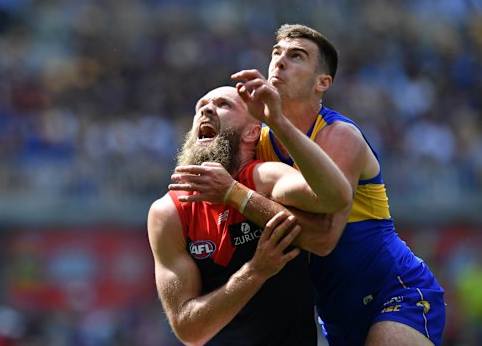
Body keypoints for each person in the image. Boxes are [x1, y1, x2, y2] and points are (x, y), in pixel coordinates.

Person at [182, 24, 445, 345]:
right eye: (276, 54)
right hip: (334, 311)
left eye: (296, 56)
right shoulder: (258, 141)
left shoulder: (339, 136)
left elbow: (323, 239)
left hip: (394, 289)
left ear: (323, 82)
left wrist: (236, 192)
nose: (279, 62)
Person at [147, 85, 353, 345]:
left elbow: (332, 204)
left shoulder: (266, 178)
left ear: (252, 132)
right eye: (201, 107)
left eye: (224, 104)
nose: (207, 109)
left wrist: (234, 193)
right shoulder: (169, 212)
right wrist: (255, 272)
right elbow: (189, 330)